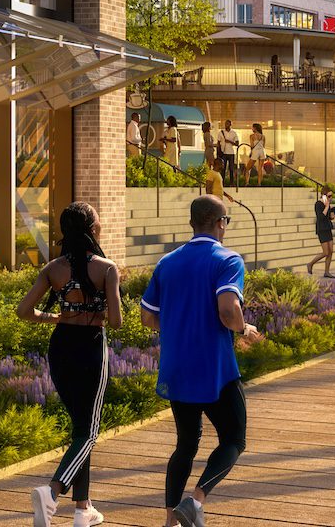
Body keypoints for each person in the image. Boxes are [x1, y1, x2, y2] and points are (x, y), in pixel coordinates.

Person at [140, 196, 248, 527]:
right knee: (233, 439)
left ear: (191, 224)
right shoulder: (228, 260)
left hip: (177, 367)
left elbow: (147, 317)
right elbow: (228, 310)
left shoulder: (167, 263)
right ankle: (196, 501)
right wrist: (244, 328)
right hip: (215, 369)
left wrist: (181, 326)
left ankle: (170, 521)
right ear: (220, 223)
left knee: (186, 445)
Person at [18, 202, 123, 527]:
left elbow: (24, 311)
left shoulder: (53, 268)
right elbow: (116, 322)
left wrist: (58, 316)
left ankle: (82, 509)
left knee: (80, 429)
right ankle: (52, 491)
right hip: (90, 347)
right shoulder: (107, 269)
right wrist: (95, 310)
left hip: (61, 346)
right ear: (92, 229)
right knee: (89, 433)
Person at [305, 188, 335, 279]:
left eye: (331, 196)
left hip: (328, 228)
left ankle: (327, 272)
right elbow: (321, 217)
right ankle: (310, 264)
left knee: (331, 251)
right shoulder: (318, 204)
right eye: (329, 196)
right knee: (325, 252)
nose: (331, 198)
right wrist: (326, 207)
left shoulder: (328, 205)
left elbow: (329, 217)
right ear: (324, 196)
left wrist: (332, 215)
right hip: (321, 229)